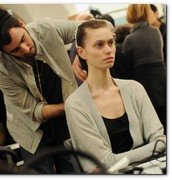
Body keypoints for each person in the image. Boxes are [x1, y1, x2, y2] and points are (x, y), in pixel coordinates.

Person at [64, 19, 166, 173]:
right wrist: (150, 150)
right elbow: (103, 162)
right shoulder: (76, 104)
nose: (108, 50)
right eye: (99, 45)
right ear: (81, 52)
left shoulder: (134, 88)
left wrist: (121, 159)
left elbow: (161, 141)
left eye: (110, 43)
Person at [0, 7, 80, 174]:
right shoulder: (2, 72)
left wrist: (79, 54)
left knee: (72, 171)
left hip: (64, 122)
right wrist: (72, 105)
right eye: (15, 50)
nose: (25, 49)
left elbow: (91, 29)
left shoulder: (47, 29)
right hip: (30, 130)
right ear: (3, 52)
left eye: (22, 39)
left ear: (22, 24)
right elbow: (36, 112)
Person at [122, 4, 166, 133]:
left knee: (155, 119)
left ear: (130, 15)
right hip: (162, 76)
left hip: (145, 82)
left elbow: (127, 66)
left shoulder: (130, 39)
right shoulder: (156, 31)